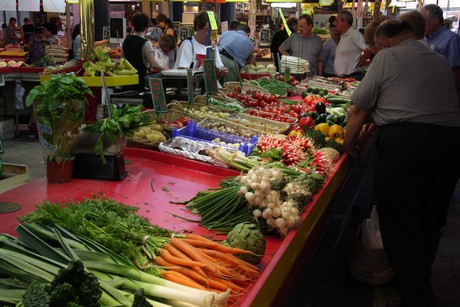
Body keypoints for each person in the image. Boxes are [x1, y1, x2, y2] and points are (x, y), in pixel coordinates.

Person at [344, 19, 460, 307]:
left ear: (383, 42)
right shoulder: (438, 58)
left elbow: (359, 107)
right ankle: (418, 279)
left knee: (400, 223)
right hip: (450, 145)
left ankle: (416, 296)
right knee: (430, 220)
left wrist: (349, 148)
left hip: (407, 148)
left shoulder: (387, 56)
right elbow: (413, 98)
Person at [174, 11, 228, 80]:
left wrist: (221, 73)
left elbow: (218, 67)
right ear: (198, 27)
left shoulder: (212, 46)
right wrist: (199, 71)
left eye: (213, 31)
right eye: (207, 30)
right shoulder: (187, 45)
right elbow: (181, 72)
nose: (210, 34)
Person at [122, 12, 168, 91]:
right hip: (141, 82)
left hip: (127, 80)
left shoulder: (126, 40)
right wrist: (166, 69)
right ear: (146, 27)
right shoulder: (146, 43)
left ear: (133, 25)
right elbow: (153, 64)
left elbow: (122, 59)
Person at [421, 4, 460, 94]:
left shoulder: (451, 39)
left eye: (424, 21)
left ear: (435, 20)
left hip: (442, 92)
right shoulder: (424, 38)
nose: (421, 25)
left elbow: (456, 72)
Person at [333, 10, 370, 80]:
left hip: (352, 76)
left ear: (344, 22)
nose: (335, 24)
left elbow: (368, 48)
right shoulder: (344, 35)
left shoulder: (354, 34)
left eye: (337, 21)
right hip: (343, 77)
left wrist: (362, 61)